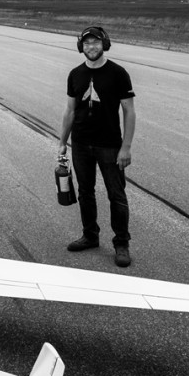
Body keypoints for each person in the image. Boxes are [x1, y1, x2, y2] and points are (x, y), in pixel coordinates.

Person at [58, 25, 137, 267]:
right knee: (85, 191)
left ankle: (121, 243)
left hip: (110, 146)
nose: (91, 47)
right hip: (81, 143)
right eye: (86, 43)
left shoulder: (118, 73)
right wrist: (62, 142)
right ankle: (90, 235)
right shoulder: (75, 74)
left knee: (117, 195)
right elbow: (70, 110)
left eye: (95, 42)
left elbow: (129, 112)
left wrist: (126, 147)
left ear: (105, 44)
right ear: (81, 47)